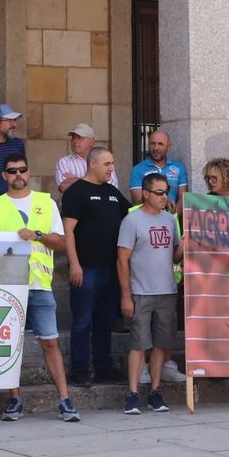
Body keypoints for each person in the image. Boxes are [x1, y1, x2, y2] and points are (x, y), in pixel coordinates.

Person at [0, 154, 78, 423]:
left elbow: (60, 241)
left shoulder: (45, 203)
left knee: (50, 341)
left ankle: (65, 398)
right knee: (10, 344)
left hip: (39, 285)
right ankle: (14, 398)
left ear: (29, 171)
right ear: (4, 176)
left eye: (22, 170)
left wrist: (36, 234)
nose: (18, 175)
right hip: (8, 287)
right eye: (12, 171)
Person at [62, 147, 129, 386]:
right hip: (86, 269)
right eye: (107, 164)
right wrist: (74, 264)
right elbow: (67, 231)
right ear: (92, 164)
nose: (111, 168)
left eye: (112, 163)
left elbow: (130, 215)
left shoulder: (112, 192)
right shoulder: (76, 192)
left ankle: (103, 367)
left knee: (106, 320)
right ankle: (79, 370)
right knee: (83, 321)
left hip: (111, 270)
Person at [118, 173, 182, 414]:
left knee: (161, 344)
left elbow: (174, 255)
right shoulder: (132, 220)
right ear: (145, 193)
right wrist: (126, 295)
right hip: (140, 291)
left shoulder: (169, 219)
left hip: (167, 290)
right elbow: (122, 260)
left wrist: (183, 247)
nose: (164, 197)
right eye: (159, 192)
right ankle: (132, 393)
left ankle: (155, 391)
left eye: (166, 192)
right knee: (139, 344)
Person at [129, 129, 189, 205]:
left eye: (160, 144)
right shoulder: (138, 169)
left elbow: (183, 199)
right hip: (148, 216)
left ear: (168, 146)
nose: (156, 148)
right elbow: (138, 202)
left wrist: (171, 216)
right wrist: (162, 202)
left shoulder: (179, 167)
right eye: (152, 143)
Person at [56, 123, 117, 193]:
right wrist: (98, 182)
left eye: (80, 137)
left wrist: (76, 180)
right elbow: (64, 187)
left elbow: (112, 189)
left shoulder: (105, 161)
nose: (75, 141)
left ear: (92, 142)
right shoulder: (64, 162)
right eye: (73, 137)